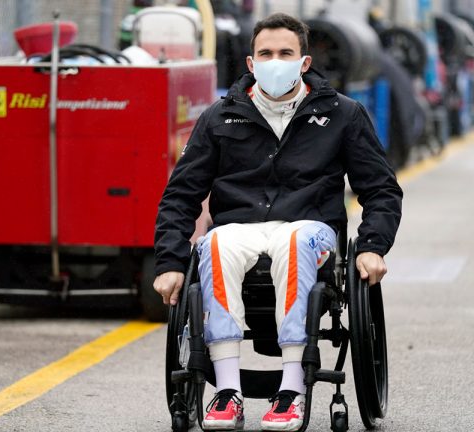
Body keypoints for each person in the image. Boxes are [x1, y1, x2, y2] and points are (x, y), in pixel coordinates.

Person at [152, 13, 403, 432]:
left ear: (304, 61)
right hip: (240, 227)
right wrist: (169, 263)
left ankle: (291, 390)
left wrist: (374, 245)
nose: (275, 61)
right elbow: (181, 195)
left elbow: (381, 189)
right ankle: (226, 392)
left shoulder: (342, 114)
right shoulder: (220, 117)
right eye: (265, 53)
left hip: (311, 227)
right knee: (212, 244)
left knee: (294, 240)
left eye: (285, 53)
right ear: (250, 63)